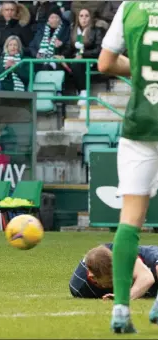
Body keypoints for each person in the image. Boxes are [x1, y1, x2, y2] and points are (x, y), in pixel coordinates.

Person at [97, 1, 158, 333]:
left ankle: (121, 308)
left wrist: (142, 69)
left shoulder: (131, 7)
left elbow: (105, 62)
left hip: (139, 122)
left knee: (130, 220)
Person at [69, 244, 158, 300]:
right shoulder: (80, 288)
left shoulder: (120, 254)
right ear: (93, 277)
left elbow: (147, 277)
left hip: (149, 259)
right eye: (111, 279)